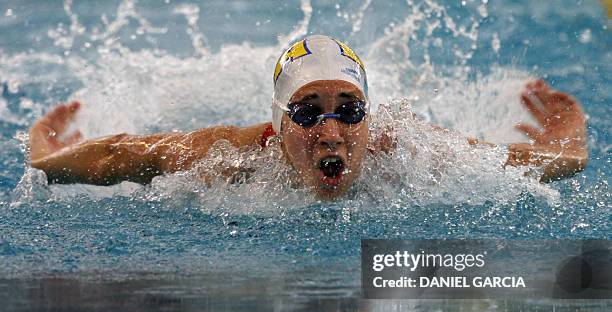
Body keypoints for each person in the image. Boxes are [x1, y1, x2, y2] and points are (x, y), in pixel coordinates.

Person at [29, 35, 588, 200]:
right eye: (307, 113)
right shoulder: (235, 152)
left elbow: (525, 164)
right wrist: (46, 157)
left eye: (350, 111)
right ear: (277, 126)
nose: (331, 130)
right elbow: (123, 154)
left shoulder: (410, 148)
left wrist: (568, 135)